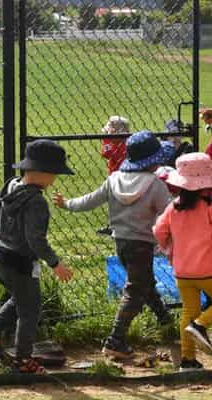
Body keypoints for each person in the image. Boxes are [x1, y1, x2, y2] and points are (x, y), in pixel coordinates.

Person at [53, 131, 175, 358]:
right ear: (154, 160)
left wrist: (67, 204)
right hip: (142, 244)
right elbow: (169, 214)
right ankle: (115, 340)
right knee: (135, 290)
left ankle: (165, 319)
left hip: (121, 242)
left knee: (144, 281)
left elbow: (90, 200)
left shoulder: (114, 179)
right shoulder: (155, 185)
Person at [0, 139, 74, 374]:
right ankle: (23, 359)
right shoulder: (36, 202)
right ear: (42, 173)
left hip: (0, 258)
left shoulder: (11, 185)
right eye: (54, 174)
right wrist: (55, 263)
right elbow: (35, 240)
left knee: (21, 298)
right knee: (30, 311)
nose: (54, 179)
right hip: (20, 264)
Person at [153, 153, 212, 372]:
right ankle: (201, 325)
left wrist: (170, 250)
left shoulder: (173, 207)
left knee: (189, 310)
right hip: (208, 269)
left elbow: (159, 231)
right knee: (196, 318)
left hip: (183, 271)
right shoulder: (208, 206)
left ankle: (188, 361)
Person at [98, 116, 130, 235]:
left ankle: (119, 226)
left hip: (123, 177)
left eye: (109, 132)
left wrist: (106, 140)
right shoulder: (117, 142)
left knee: (120, 202)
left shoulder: (124, 144)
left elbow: (106, 153)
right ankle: (113, 225)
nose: (107, 135)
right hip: (115, 176)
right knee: (113, 201)